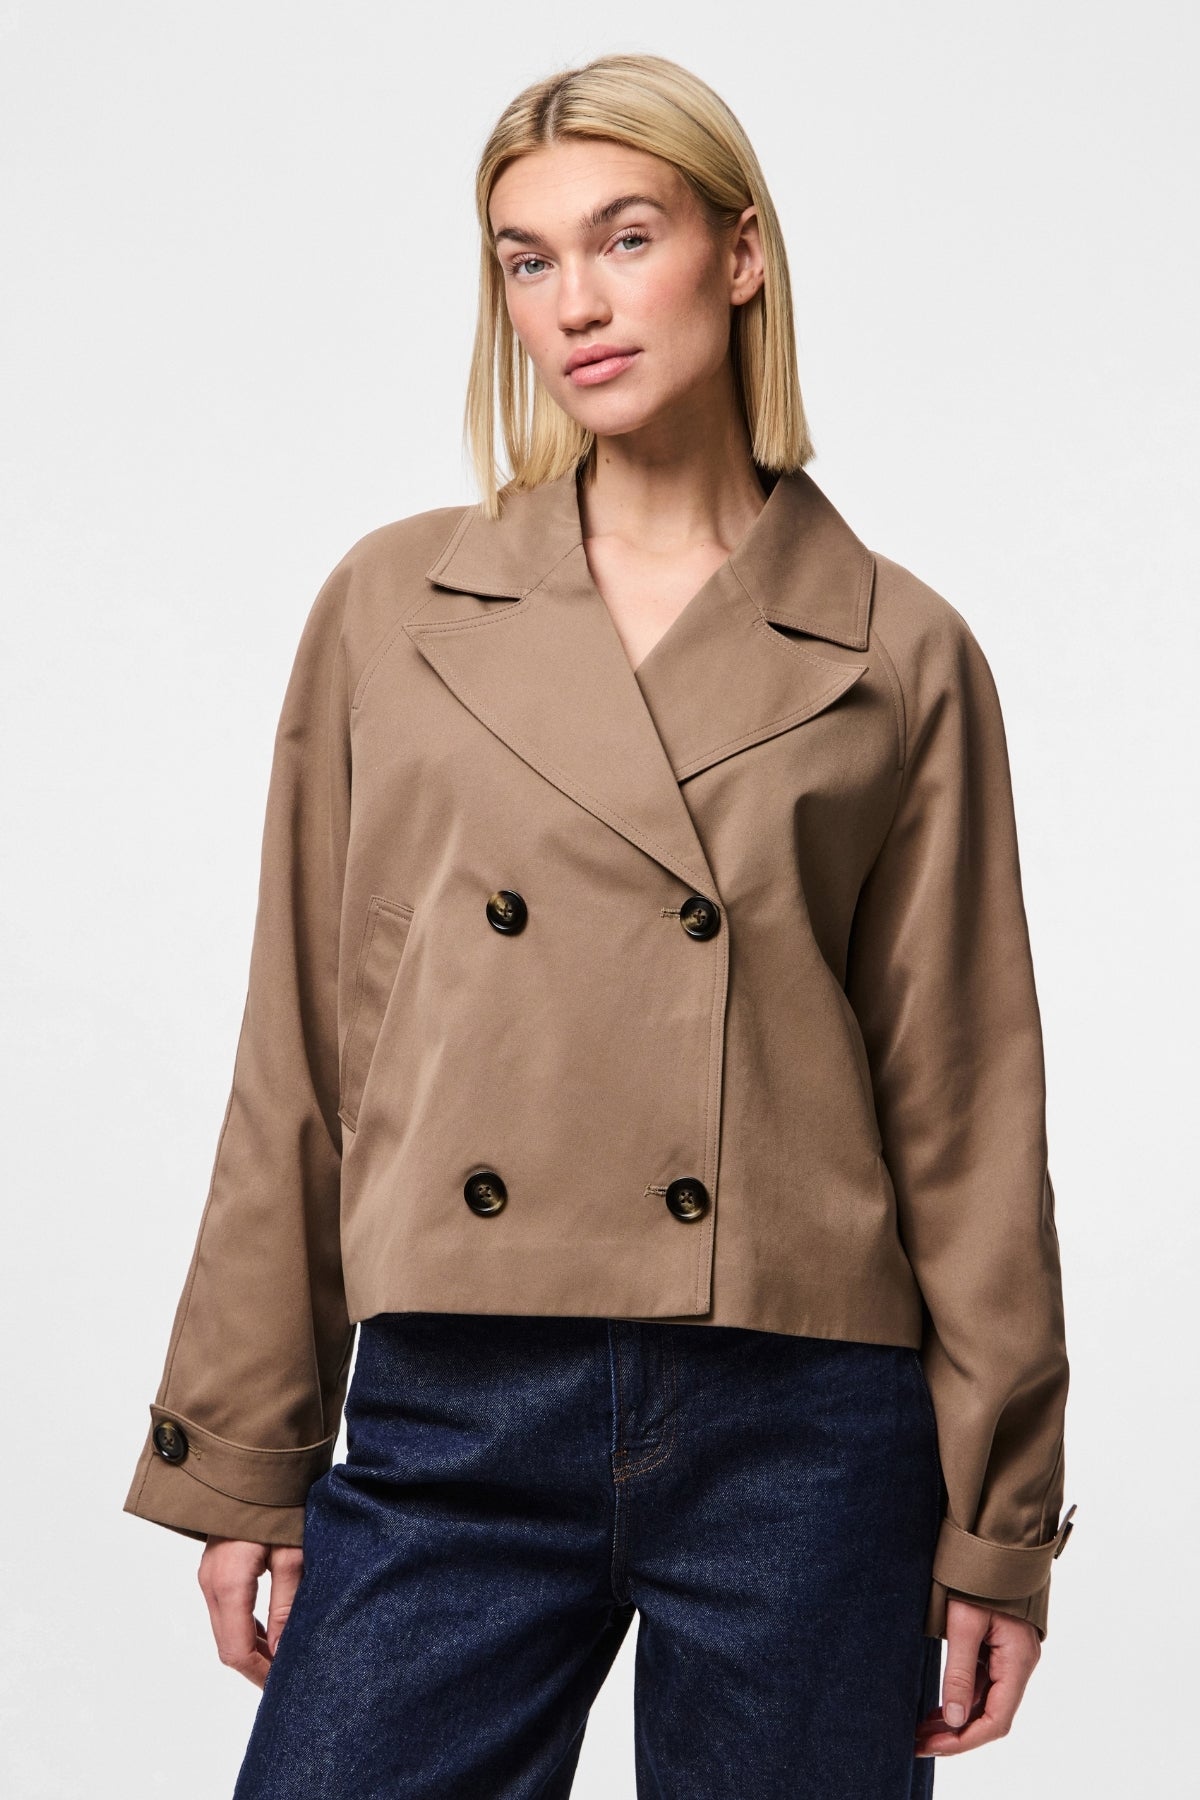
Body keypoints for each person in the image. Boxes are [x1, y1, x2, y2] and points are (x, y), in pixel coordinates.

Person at [123, 51, 1076, 1798]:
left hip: (802, 1428)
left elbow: (966, 1117)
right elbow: (306, 1052)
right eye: (528, 259)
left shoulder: (897, 650)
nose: (574, 302)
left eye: (625, 238)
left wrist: (1000, 1527)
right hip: (457, 1399)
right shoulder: (394, 607)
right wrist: (249, 1446)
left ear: (740, 253)